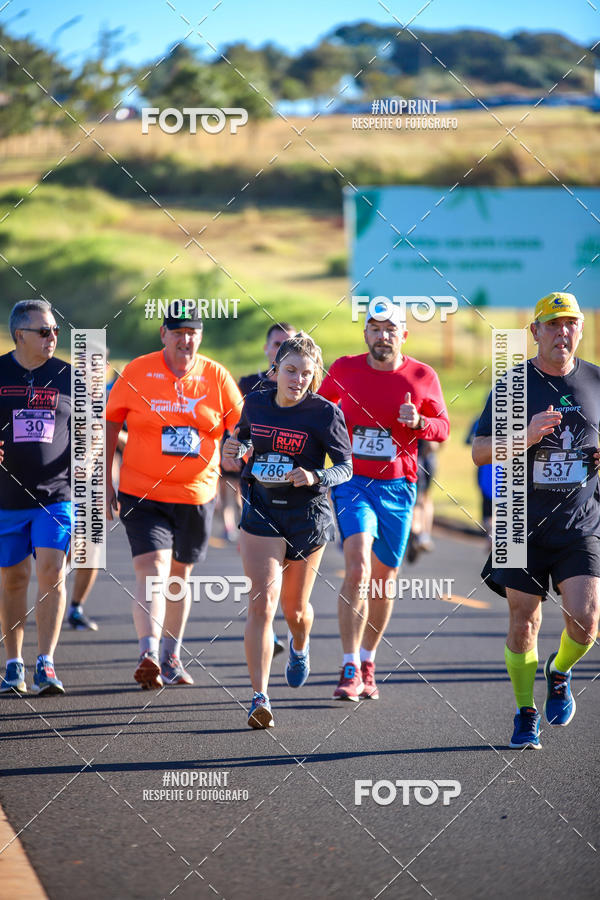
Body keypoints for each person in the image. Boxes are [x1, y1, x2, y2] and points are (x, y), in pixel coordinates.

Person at [472, 292, 600, 750]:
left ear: (580, 330)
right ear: (535, 333)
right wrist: (524, 436)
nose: (562, 332)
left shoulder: (597, 382)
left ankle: (560, 670)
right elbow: (479, 452)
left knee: (585, 622)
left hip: (580, 522)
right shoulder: (512, 385)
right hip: (518, 521)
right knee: (523, 619)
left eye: (570, 324)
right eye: (552, 324)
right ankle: (526, 713)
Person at [106, 302, 243, 689]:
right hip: (142, 490)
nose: (186, 339)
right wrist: (104, 480)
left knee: (179, 578)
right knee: (152, 569)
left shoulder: (215, 376)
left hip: (197, 494)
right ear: (163, 333)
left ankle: (171, 655)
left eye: (192, 332)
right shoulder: (137, 371)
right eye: (178, 332)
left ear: (200, 335)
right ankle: (148, 652)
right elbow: (112, 420)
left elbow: (241, 425)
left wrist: (237, 449)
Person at [319, 303, 449, 701]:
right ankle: (348, 665)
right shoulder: (343, 369)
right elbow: (318, 411)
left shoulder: (422, 376)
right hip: (353, 482)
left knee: (382, 579)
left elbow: (443, 428)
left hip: (397, 487)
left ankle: (368, 658)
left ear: (403, 335)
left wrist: (418, 423)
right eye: (374, 329)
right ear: (365, 335)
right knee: (356, 565)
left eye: (390, 329)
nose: (382, 336)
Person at [222, 333, 352, 728]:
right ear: (275, 370)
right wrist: (233, 449)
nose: (297, 380)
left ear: (314, 377)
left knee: (295, 609)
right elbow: (243, 437)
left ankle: (299, 644)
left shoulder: (324, 413)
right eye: (291, 371)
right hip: (261, 510)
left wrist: (315, 474)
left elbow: (346, 467)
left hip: (307, 517)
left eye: (306, 374)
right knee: (262, 602)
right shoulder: (257, 401)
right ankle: (259, 697)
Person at [0, 300, 71, 695]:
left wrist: (88, 459)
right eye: (44, 331)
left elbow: (92, 434)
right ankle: (14, 664)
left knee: (51, 571)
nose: (52, 337)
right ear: (20, 335)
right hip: (6, 498)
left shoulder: (67, 376)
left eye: (55, 331)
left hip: (55, 495)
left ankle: (46, 663)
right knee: (13, 579)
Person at [222, 321, 297, 656]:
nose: (282, 349)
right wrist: (234, 454)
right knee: (262, 564)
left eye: (290, 343)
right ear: (267, 349)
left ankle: (274, 620)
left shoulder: (303, 387)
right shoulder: (248, 386)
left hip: (295, 494)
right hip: (255, 485)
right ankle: (267, 622)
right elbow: (235, 432)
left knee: (285, 566)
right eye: (278, 343)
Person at [406, 440, 438, 562]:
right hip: (429, 459)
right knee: (425, 497)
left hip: (415, 457)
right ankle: (424, 535)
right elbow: (436, 444)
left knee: (416, 499)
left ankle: (416, 531)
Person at [466, 417, 493, 547]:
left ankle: (492, 535)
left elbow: (467, 441)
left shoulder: (480, 420)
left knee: (487, 510)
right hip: (505, 471)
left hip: (486, 470)